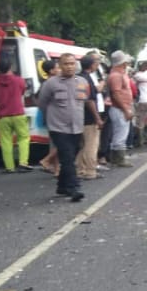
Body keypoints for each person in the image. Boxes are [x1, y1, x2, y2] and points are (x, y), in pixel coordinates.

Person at [36, 52, 89, 202]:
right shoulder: (51, 83)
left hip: (77, 127)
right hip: (58, 127)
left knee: (72, 153)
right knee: (67, 157)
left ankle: (62, 185)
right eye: (66, 64)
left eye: (72, 63)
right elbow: (42, 103)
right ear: (60, 65)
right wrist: (51, 118)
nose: (70, 67)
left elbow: (83, 102)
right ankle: (74, 188)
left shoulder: (82, 82)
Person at [0, 53, 33, 173]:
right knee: (23, 138)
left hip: (3, 117)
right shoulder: (19, 81)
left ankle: (9, 167)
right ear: (10, 66)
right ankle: (23, 162)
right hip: (18, 113)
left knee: (6, 141)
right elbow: (23, 91)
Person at [77, 52, 107, 180]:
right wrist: (97, 118)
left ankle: (80, 169)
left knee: (83, 145)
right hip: (89, 117)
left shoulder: (79, 78)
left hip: (80, 115)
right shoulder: (88, 79)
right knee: (91, 145)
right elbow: (90, 100)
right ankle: (90, 171)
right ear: (92, 65)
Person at [105, 50, 134, 166]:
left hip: (120, 108)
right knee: (121, 133)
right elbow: (116, 94)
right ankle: (119, 159)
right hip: (120, 108)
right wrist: (126, 109)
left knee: (120, 132)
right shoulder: (116, 76)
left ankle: (116, 158)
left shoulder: (119, 74)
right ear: (123, 63)